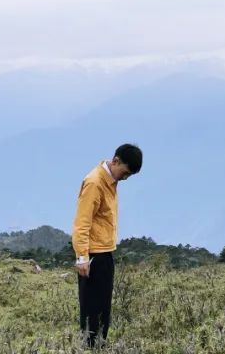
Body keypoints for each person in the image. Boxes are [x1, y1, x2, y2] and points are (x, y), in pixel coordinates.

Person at [72, 143, 142, 347]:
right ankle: (89, 348)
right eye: (126, 172)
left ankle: (100, 346)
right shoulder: (95, 183)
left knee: (103, 310)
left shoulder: (110, 181)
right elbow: (82, 223)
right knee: (91, 311)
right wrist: (82, 257)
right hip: (93, 256)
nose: (126, 177)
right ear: (116, 161)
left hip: (105, 253)